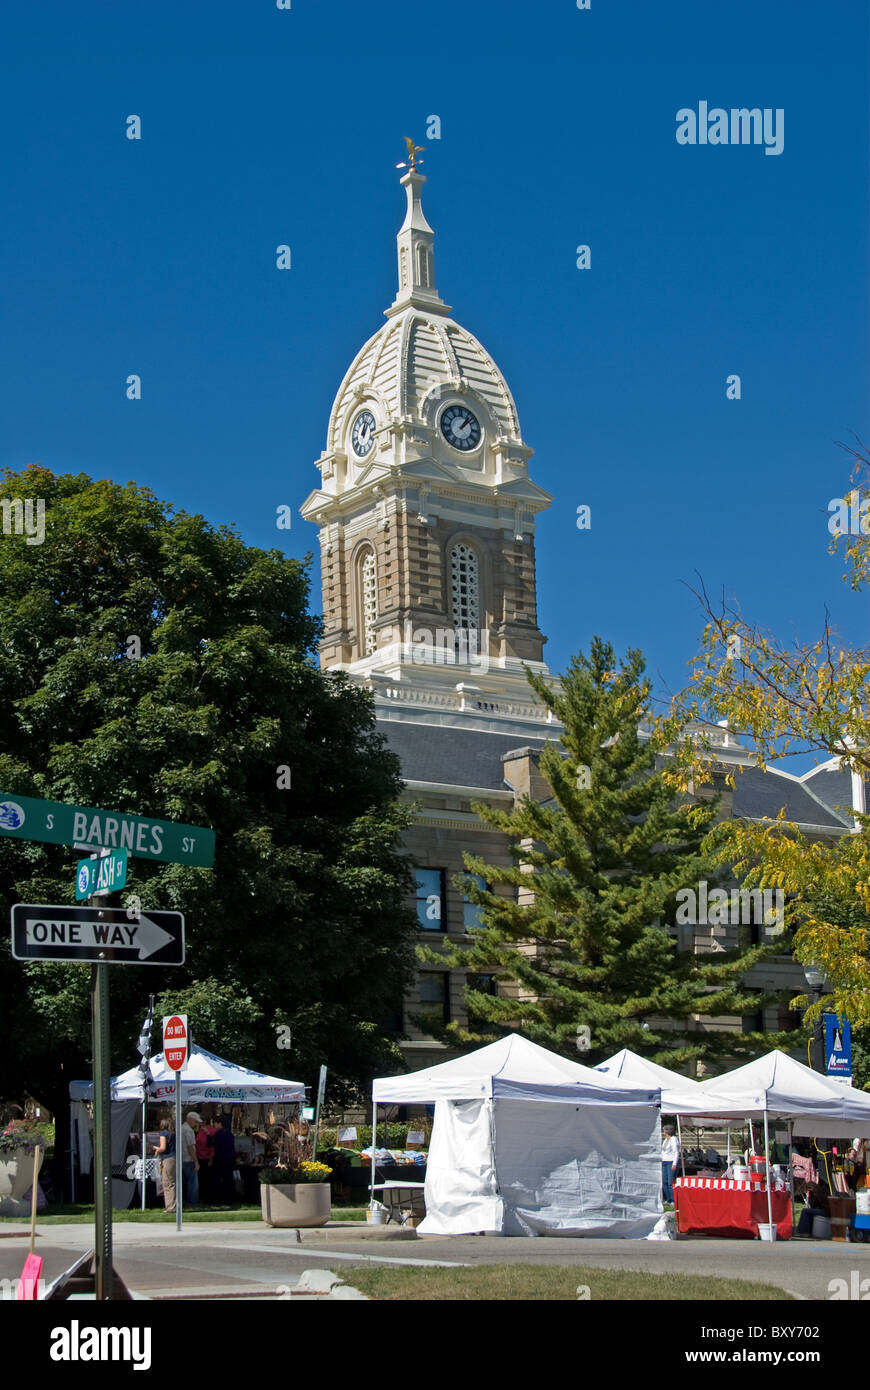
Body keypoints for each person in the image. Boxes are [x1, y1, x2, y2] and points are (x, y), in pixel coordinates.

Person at [152, 1115, 176, 1213]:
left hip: (167, 1159)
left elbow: (163, 1148)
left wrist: (155, 1149)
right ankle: (174, 1205)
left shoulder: (163, 1134)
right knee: (173, 1182)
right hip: (175, 1158)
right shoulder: (174, 1133)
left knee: (168, 1183)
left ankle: (170, 1207)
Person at [211, 1118, 237, 1205]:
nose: (214, 1125)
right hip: (230, 1159)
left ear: (219, 1123)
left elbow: (212, 1145)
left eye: (215, 1123)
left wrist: (208, 1135)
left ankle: (217, 1198)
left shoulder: (218, 1134)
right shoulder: (230, 1134)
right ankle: (228, 1199)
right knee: (228, 1179)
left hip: (220, 1160)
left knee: (217, 1179)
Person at [180, 1111, 202, 1207]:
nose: (196, 1124)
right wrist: (196, 1161)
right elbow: (190, 1147)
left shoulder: (180, 1128)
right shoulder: (188, 1130)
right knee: (192, 1182)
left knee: (182, 1181)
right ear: (190, 1119)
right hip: (189, 1159)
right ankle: (192, 1202)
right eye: (196, 1122)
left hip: (181, 1159)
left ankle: (182, 1200)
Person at [196, 1115, 216, 1203]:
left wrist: (211, 1159)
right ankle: (202, 1196)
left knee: (208, 1178)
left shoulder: (212, 1131)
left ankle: (209, 1197)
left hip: (208, 1158)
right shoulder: (199, 1130)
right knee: (201, 1178)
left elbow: (212, 1146)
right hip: (199, 1157)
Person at [661, 1124, 680, 1204]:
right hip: (664, 1162)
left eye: (664, 1131)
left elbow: (676, 1152)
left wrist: (674, 1164)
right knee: (664, 1181)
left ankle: (673, 1199)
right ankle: (668, 1198)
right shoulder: (665, 1140)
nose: (663, 1132)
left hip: (670, 1162)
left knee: (670, 1182)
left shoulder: (673, 1139)